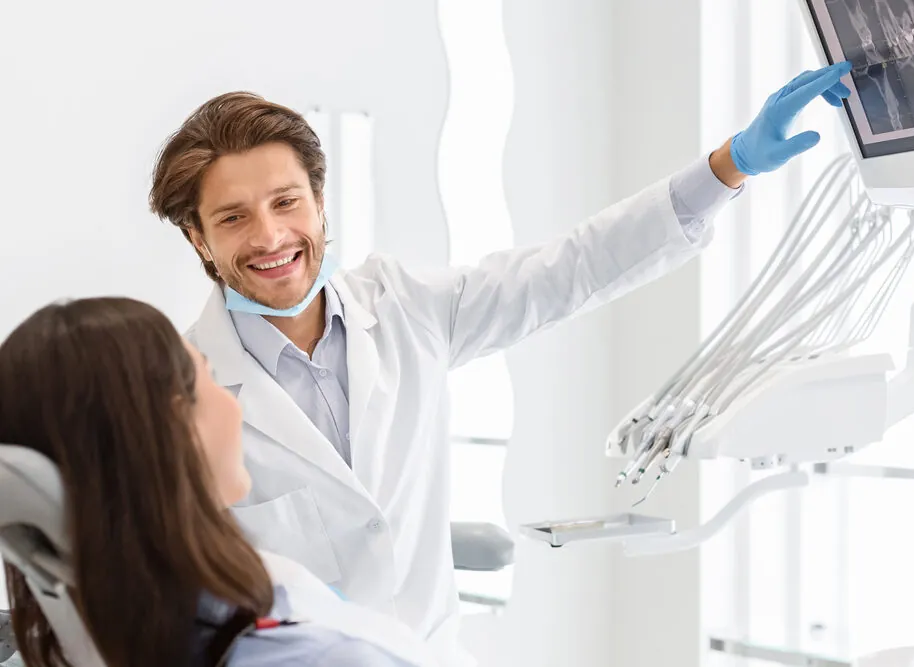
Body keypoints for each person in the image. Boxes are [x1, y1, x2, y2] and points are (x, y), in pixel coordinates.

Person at [147, 61, 854, 665]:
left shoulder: (404, 307)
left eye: (286, 202)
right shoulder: (175, 390)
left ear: (320, 202)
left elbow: (569, 270)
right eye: (233, 217)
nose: (271, 235)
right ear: (198, 238)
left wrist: (729, 165)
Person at [0, 298, 438, 667]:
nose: (235, 403)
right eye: (209, 377)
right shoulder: (321, 657)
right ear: (178, 427)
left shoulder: (70, 632)